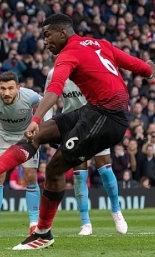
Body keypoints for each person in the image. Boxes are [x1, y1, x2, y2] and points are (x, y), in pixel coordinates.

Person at [0, 13, 155, 250]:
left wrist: (35, 117)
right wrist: (150, 70)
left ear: (63, 32)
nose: (45, 42)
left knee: (55, 168)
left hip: (107, 118)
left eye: (47, 35)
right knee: (38, 134)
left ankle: (43, 233)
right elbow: (141, 67)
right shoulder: (101, 44)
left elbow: (55, 89)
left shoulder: (68, 54)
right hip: (92, 111)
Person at [44, 68, 127, 236]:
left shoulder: (90, 69)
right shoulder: (54, 73)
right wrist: (48, 127)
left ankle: (116, 212)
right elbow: (49, 101)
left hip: (96, 122)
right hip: (73, 125)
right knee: (79, 173)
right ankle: (85, 222)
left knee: (105, 167)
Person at [0, 71, 41, 237]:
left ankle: (34, 224)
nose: (6, 92)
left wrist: (39, 127)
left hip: (26, 136)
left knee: (30, 177)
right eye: (3, 88)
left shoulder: (31, 97)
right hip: (2, 135)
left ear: (18, 88)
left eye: (11, 88)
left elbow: (46, 107)